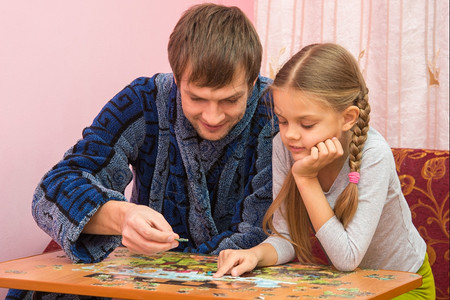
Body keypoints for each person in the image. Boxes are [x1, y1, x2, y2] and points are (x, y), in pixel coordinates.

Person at [7, 3, 277, 299]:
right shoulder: (145, 101)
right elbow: (53, 189)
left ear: (252, 83)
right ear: (176, 79)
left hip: (242, 280)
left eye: (229, 100)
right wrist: (123, 216)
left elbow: (265, 230)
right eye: (197, 98)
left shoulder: (276, 112)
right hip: (145, 279)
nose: (212, 116)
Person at [214, 43, 435, 299]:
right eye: (282, 120)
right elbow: (286, 238)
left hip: (402, 285)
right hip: (349, 288)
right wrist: (254, 254)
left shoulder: (374, 155)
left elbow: (347, 257)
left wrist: (306, 179)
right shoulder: (284, 146)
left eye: (307, 124)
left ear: (348, 118)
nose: (290, 135)